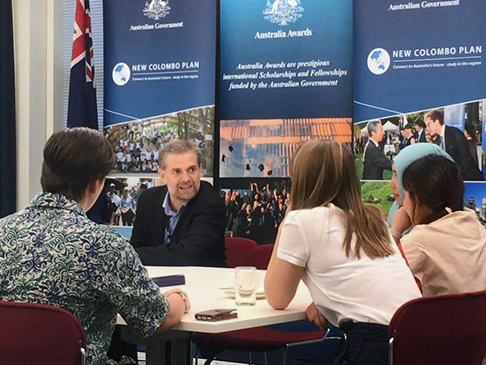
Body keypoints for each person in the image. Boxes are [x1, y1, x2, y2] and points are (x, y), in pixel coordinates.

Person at [0, 128, 190, 364]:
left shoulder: (2, 231)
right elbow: (158, 318)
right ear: (95, 185)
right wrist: (177, 299)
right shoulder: (104, 245)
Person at [265, 140, 421, 365]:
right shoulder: (373, 219)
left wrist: (289, 217)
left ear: (301, 179)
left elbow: (277, 298)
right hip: (417, 340)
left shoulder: (301, 221)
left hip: (373, 347)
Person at [398, 154, 486, 296]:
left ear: (417, 198)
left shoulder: (416, 243)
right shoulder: (474, 224)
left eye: (406, 194)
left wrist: (395, 232)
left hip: (440, 317)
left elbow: (384, 279)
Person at [130, 139, 226, 267]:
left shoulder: (211, 202)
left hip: (202, 282)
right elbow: (136, 246)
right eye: (177, 172)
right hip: (153, 280)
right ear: (163, 175)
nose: (186, 179)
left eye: (191, 170)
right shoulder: (148, 199)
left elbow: (187, 256)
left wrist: (129, 256)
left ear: (200, 170)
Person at [387, 143, 453, 233]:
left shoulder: (440, 229)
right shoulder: (396, 209)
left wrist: (395, 233)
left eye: (397, 174)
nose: (391, 184)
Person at [424, 110, 483, 181]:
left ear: (436, 122)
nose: (427, 128)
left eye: (428, 124)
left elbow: (465, 160)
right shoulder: (438, 140)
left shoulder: (454, 134)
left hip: (470, 181)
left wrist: (452, 177)